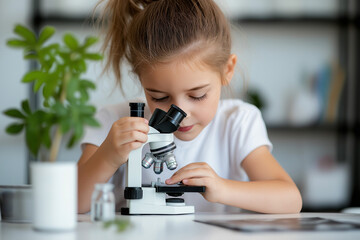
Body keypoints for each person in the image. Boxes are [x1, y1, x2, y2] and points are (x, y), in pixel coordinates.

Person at [77, 0, 302, 214]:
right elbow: (73, 202)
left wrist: (223, 189)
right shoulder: (114, 120)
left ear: (227, 70)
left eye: (198, 95)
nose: (180, 115)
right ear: (141, 80)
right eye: (160, 97)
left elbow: (290, 199)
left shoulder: (237, 122)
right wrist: (108, 155)